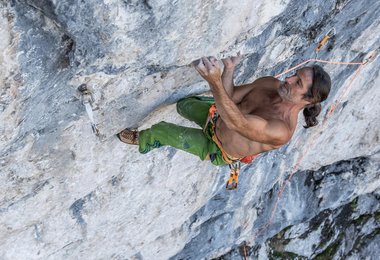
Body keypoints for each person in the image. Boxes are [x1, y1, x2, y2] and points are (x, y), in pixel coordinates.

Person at [117, 56, 331, 171]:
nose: (289, 79)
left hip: (218, 147)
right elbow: (232, 97)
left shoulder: (281, 131)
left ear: (308, 99)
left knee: (163, 130)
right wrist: (228, 70)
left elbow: (237, 123)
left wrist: (214, 81)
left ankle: (144, 138)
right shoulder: (270, 84)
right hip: (217, 118)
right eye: (294, 75)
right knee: (184, 105)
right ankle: (200, 109)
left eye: (298, 82)